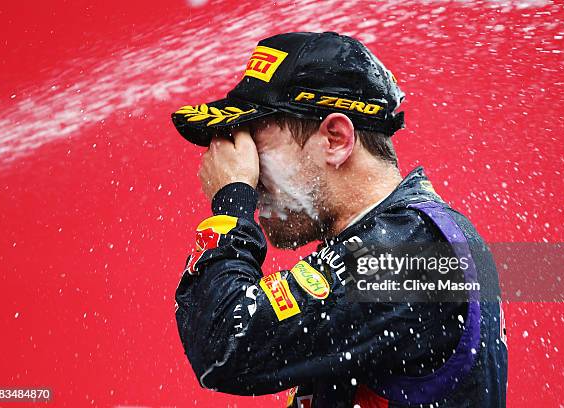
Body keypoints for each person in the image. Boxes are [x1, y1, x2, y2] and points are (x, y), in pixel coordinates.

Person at [171, 31, 508, 407]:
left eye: (255, 143)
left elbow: (223, 346)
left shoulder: (415, 251)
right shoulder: (395, 241)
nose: (245, 167)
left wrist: (232, 200)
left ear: (335, 139)